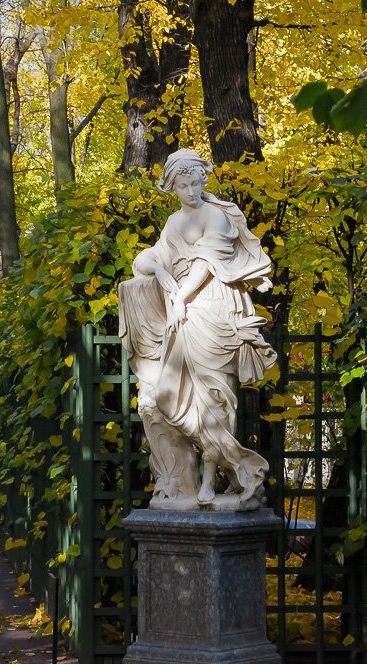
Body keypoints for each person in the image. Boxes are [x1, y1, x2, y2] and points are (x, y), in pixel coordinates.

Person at [118, 149, 276, 508]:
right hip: (183, 317)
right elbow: (144, 259)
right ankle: (240, 467)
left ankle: (210, 483)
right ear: (172, 187)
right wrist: (160, 271)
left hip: (213, 309)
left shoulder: (217, 216)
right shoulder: (174, 222)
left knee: (214, 401)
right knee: (169, 397)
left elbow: (208, 261)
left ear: (204, 180)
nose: (191, 191)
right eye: (183, 185)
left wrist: (179, 298)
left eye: (195, 183)